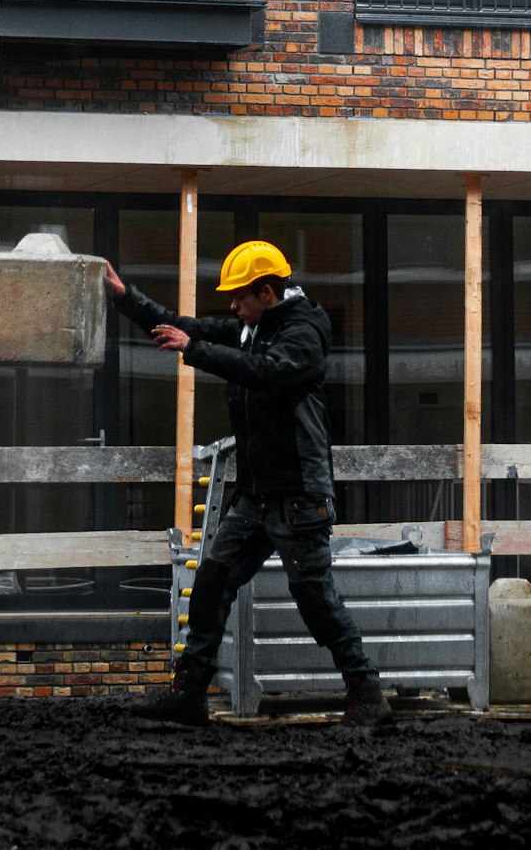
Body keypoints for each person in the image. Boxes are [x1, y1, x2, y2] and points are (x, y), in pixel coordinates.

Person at [104, 239, 393, 729]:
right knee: (213, 579)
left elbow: (267, 373)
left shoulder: (302, 334)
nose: (233, 307)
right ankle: (190, 693)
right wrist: (126, 298)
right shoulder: (250, 329)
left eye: (240, 298)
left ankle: (367, 695)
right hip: (256, 494)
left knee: (315, 596)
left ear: (266, 291)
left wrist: (194, 351)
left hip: (299, 494)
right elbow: (188, 327)